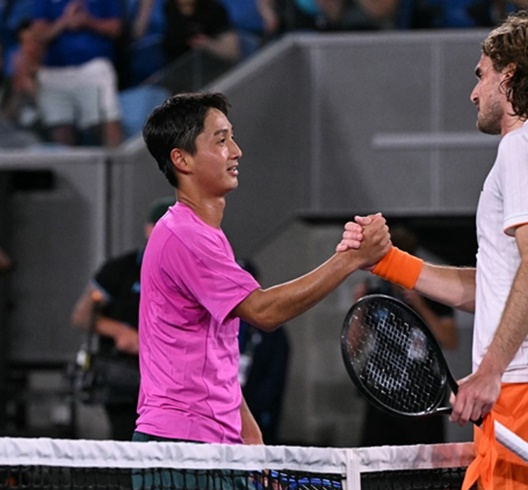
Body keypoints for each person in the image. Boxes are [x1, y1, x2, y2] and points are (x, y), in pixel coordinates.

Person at [340, 13, 528, 490]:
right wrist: (387, 261)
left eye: (481, 75)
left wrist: (491, 371)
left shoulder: (524, 147)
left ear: (509, 76)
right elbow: (496, 286)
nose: (473, 93)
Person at [133, 91, 388, 450]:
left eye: (232, 138)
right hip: (182, 443)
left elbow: (212, 352)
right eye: (221, 140)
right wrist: (349, 259)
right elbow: (263, 311)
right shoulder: (186, 236)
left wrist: (246, 426)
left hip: (209, 439)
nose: (236, 151)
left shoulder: (201, 234)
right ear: (182, 159)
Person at [70, 197, 174, 441]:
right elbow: (82, 316)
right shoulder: (121, 269)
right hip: (126, 380)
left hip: (171, 381)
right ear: (148, 229)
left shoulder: (190, 271)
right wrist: (120, 331)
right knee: (128, 443)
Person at [353, 225, 458, 446]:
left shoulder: (434, 295)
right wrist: (359, 308)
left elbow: (450, 341)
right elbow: (352, 347)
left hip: (422, 395)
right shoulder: (377, 295)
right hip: (382, 393)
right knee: (375, 458)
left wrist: (420, 306)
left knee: (425, 460)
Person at [31, 0, 124, 146]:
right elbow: (38, 34)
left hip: (94, 68)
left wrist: (88, 21)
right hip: (55, 72)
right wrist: (64, 22)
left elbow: (116, 28)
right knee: (61, 133)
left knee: (109, 126)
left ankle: (116, 161)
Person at [237, 258, 290, 445]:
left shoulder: (272, 333)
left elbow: (275, 377)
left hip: (258, 415)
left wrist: (254, 410)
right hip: (226, 412)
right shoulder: (219, 321)